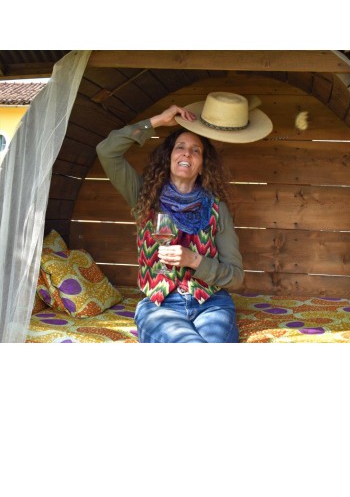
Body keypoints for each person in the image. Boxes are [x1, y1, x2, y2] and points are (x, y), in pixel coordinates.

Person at [96, 91, 272, 343]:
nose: (187, 154)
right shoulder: (143, 195)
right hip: (159, 306)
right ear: (169, 157)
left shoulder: (217, 209)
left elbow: (235, 276)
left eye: (195, 150)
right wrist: (157, 121)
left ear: (202, 166)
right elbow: (107, 151)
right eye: (180, 147)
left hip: (212, 304)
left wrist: (194, 260)